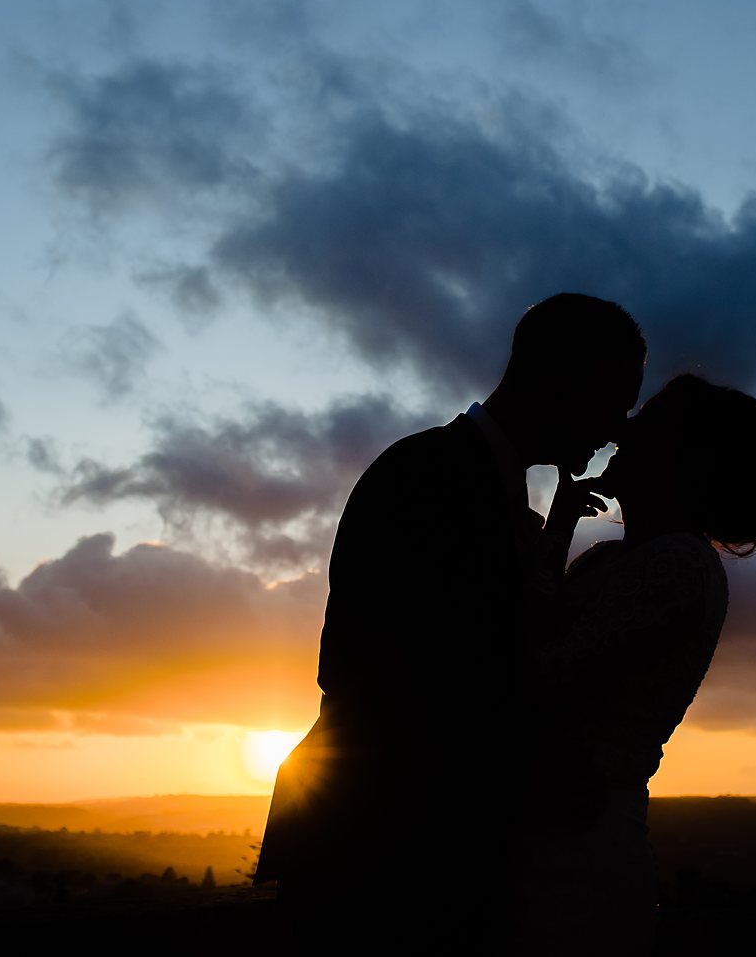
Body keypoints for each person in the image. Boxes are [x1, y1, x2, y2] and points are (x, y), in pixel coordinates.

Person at [258, 293, 646, 953]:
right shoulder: (426, 475)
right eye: (615, 399)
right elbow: (397, 674)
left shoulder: (479, 482)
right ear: (562, 377)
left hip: (407, 844)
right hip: (382, 852)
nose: (616, 427)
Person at [511, 373, 756, 955]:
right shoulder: (617, 557)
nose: (624, 431)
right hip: (552, 829)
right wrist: (559, 526)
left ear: (683, 458)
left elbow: (536, 673)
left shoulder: (677, 563)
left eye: (647, 423)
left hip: (575, 846)